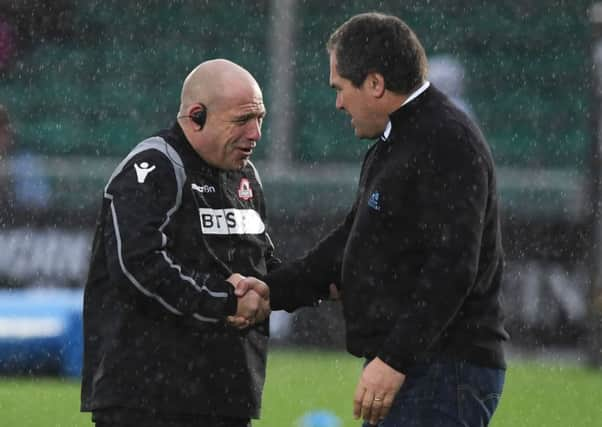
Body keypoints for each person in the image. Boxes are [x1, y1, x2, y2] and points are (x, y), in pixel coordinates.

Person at [264, 13, 509, 427]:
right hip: (426, 367)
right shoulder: (401, 138)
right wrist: (270, 292)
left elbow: (452, 266)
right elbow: (352, 241)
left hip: (441, 370)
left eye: (341, 88)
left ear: (375, 84)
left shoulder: (444, 140)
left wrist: (395, 359)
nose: (339, 103)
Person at [80, 59, 276, 427]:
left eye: (260, 118)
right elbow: (137, 268)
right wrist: (227, 301)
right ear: (197, 116)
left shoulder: (245, 176)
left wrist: (308, 283)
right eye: (242, 120)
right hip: (148, 401)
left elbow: (262, 262)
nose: (256, 133)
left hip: (225, 398)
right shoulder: (155, 165)